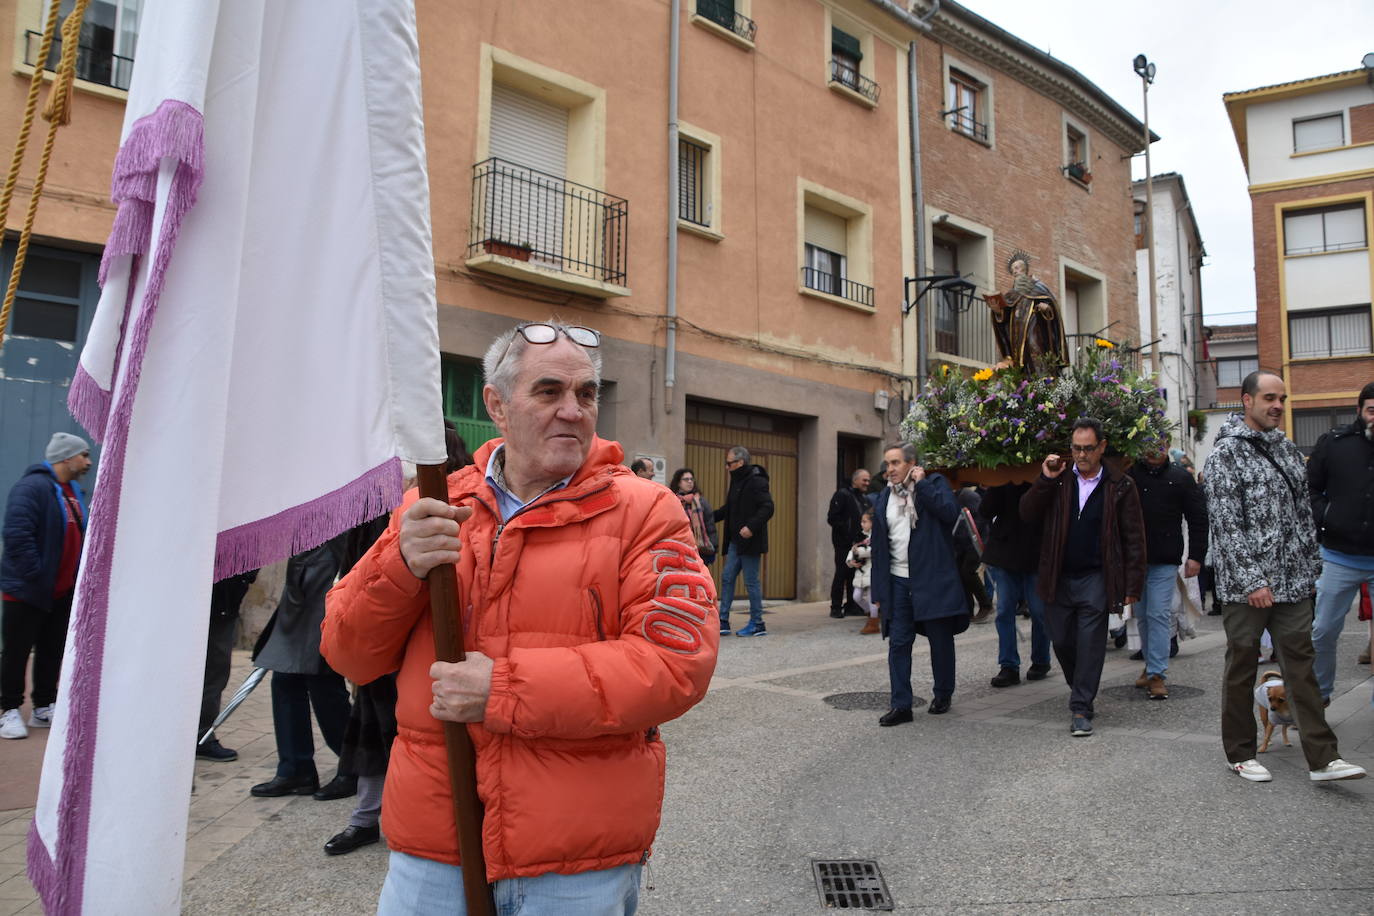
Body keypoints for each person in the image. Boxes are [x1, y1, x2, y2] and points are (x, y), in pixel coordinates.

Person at [322, 320, 718, 912]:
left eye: (586, 393)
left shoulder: (645, 511)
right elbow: (347, 653)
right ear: (497, 405)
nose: (573, 411)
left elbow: (675, 663)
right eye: (548, 391)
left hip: (575, 857)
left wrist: (503, 689)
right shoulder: (434, 506)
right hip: (434, 845)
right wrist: (400, 564)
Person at [1203, 371, 1365, 782]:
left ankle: (1323, 758)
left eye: (1282, 399)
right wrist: (1253, 580)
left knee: (1302, 669)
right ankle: (1240, 753)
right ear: (1246, 401)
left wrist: (1311, 568)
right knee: (1242, 667)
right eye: (1269, 398)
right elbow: (1226, 524)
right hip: (1246, 588)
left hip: (1293, 582)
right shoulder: (1225, 454)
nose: (1278, 405)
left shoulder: (1288, 449)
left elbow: (1303, 514)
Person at [325, 427, 475, 857]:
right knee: (373, 726)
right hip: (380, 620)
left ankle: (398, 818)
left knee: (416, 731)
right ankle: (365, 816)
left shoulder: (458, 502)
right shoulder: (384, 499)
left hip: (422, 643)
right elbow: (358, 557)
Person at [1021, 417, 1145, 738]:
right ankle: (1081, 686)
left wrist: (1132, 585)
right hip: (1058, 576)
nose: (1081, 455)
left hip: (1096, 577)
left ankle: (1080, 707)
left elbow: (1134, 538)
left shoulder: (1120, 485)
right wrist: (1045, 479)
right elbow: (1027, 513)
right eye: (1076, 448)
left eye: (1088, 448)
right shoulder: (1060, 479)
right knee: (1061, 640)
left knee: (1090, 644)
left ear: (1102, 447)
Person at [1, 432, 91, 740]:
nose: (88, 461)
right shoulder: (31, 488)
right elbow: (17, 534)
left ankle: (43, 706)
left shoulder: (72, 491)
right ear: (66, 457)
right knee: (16, 653)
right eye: (83, 455)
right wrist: (37, 575)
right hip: (27, 590)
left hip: (60, 591)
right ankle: (9, 710)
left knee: (51, 651)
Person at [250, 536, 355, 800]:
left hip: (330, 579)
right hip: (302, 580)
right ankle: (295, 769)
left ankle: (355, 766)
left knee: (322, 682)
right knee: (285, 678)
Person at [871, 443, 967, 724]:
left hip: (931, 579)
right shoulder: (884, 497)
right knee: (899, 643)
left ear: (912, 464)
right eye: (887, 464)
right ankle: (901, 705)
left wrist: (921, 484)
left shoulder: (934, 484)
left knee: (940, 640)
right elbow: (879, 547)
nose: (890, 469)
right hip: (898, 581)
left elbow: (950, 513)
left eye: (896, 463)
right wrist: (878, 589)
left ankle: (943, 693)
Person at [1307, 381, 1374, 705]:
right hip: (1339, 555)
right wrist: (1326, 516)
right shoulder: (1334, 444)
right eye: (1372, 410)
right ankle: (1319, 695)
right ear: (1359, 411)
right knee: (1323, 631)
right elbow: (1310, 488)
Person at [1127, 435, 1208, 700]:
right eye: (1149, 444)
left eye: (1160, 444)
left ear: (1167, 445)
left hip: (1165, 558)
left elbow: (1198, 518)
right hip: (1135, 559)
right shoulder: (1131, 475)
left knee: (1158, 613)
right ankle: (1151, 665)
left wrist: (1196, 556)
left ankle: (1157, 673)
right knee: (1142, 615)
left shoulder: (1180, 477)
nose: (1155, 449)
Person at [981, 481, 1051, 688]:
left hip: (1036, 550)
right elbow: (986, 510)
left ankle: (1041, 659)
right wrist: (997, 484)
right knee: (1004, 611)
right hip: (1006, 550)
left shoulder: (1041, 477)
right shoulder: (1003, 481)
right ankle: (1009, 665)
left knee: (1039, 611)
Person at [196, 569, 259, 761]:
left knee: (214, 670)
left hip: (223, 598)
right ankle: (201, 737)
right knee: (213, 670)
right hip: (215, 597)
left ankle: (200, 735)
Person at [715, 446, 774, 637]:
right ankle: (723, 621)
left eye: (729, 463)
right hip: (735, 541)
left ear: (740, 463)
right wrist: (707, 517)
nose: (727, 467)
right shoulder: (737, 480)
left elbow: (768, 507)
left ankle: (757, 623)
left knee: (751, 582)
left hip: (750, 542)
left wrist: (751, 527)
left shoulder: (756, 480)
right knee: (727, 577)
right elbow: (729, 509)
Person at [986, 251, 1068, 371]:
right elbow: (1004, 318)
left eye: (1017, 268)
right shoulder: (1011, 295)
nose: (1014, 271)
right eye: (1012, 270)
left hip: (1034, 327)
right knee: (1021, 356)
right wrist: (997, 311)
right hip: (1016, 332)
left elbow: (1052, 306)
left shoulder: (1038, 287)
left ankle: (1042, 377)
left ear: (1025, 269)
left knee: (1034, 347)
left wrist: (1046, 308)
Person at [827, 468, 871, 619]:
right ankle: (836, 607)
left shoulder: (864, 498)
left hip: (858, 543)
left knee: (854, 573)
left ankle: (852, 605)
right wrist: (847, 533)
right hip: (843, 543)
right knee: (841, 573)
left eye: (868, 480)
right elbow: (832, 518)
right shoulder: (842, 495)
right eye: (864, 480)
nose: (867, 483)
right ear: (855, 480)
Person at [953, 484, 993, 623]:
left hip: (976, 541)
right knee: (960, 574)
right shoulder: (954, 496)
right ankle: (967, 610)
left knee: (968, 572)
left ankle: (986, 604)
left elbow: (981, 517)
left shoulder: (967, 496)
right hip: (961, 544)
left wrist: (966, 533)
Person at [670, 467, 718, 566]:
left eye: (691, 479)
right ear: (678, 483)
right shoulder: (673, 501)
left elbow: (710, 525)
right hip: (680, 546)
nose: (690, 482)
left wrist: (714, 546)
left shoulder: (700, 501)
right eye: (686, 479)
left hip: (700, 548)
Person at [847, 509, 878, 635]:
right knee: (856, 597)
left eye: (865, 522)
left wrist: (858, 551)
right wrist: (850, 561)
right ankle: (871, 613)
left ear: (872, 523)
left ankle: (874, 622)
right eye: (861, 521)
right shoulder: (859, 536)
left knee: (872, 597)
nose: (862, 524)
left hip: (872, 571)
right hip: (860, 572)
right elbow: (852, 550)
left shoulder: (876, 536)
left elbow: (873, 550)